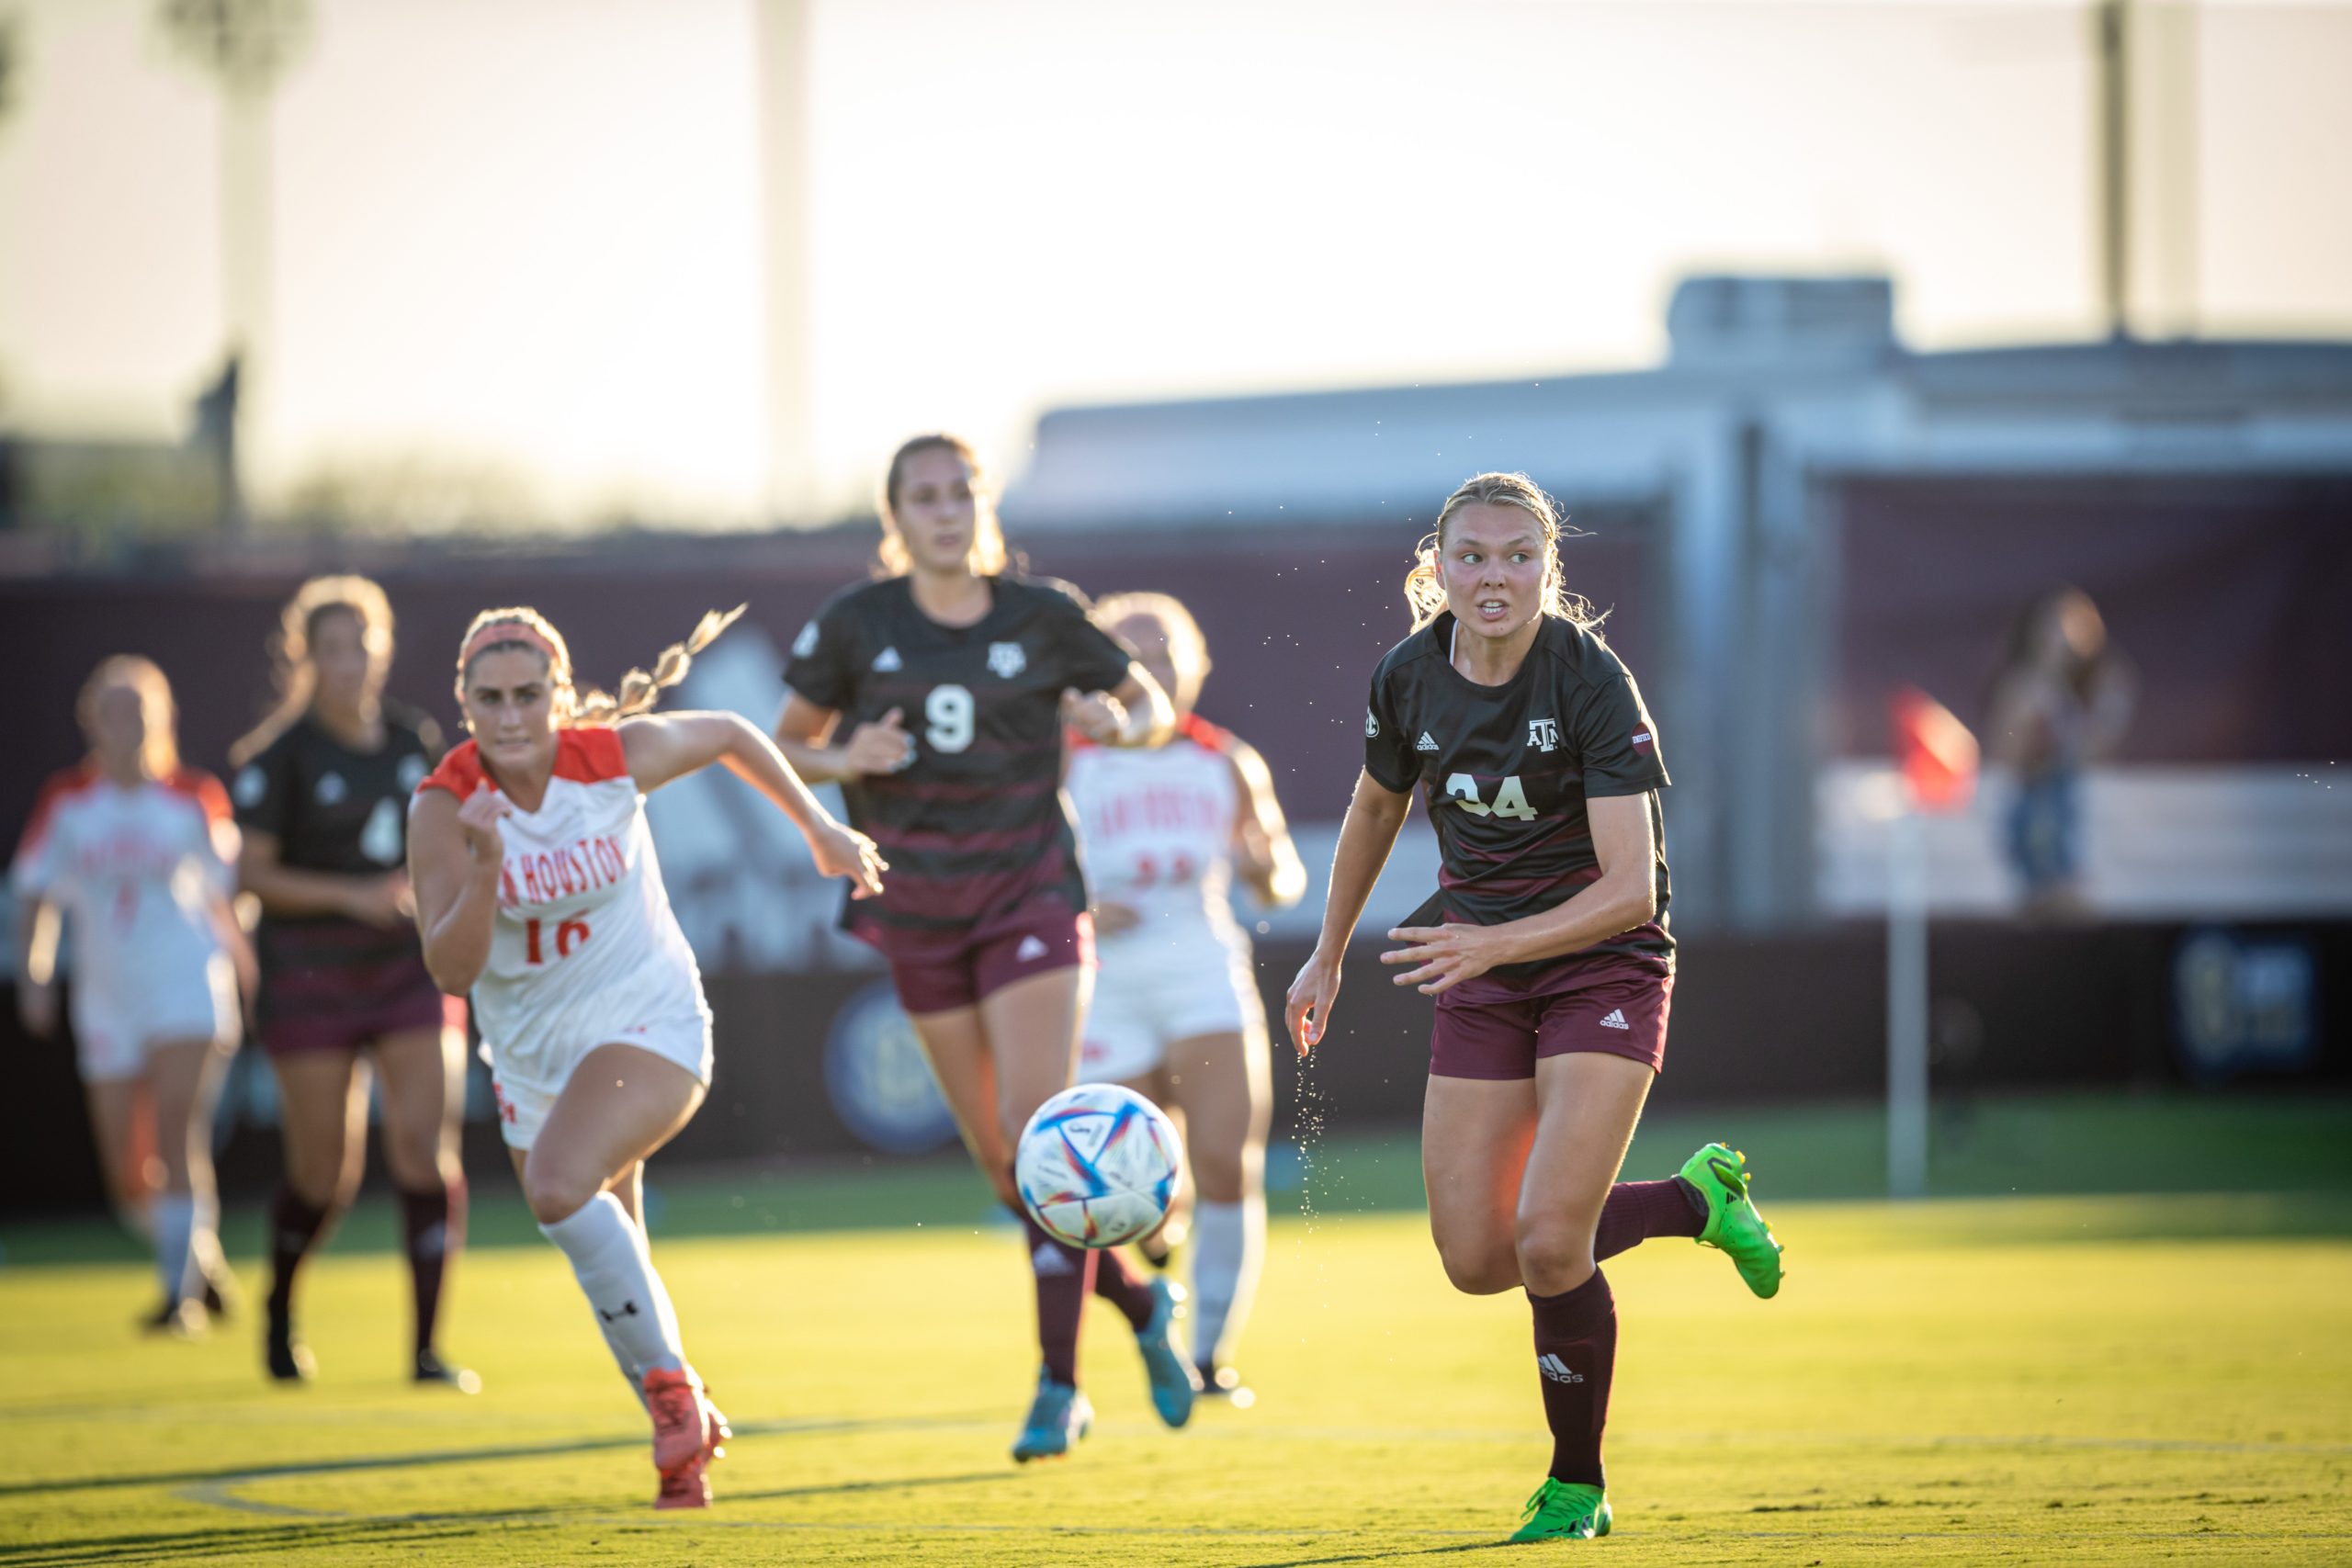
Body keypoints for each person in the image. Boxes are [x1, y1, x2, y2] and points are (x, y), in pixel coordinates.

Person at [1282, 472, 1785, 1543]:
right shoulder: (1407, 676)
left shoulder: (1593, 680)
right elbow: (1376, 806)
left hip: (1602, 964)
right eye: (1473, 555)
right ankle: (1695, 1203)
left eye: (1519, 555)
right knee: (1476, 1259)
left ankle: (1576, 1486)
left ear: (1550, 569)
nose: (1495, 575)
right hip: (1485, 970)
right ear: (1437, 568)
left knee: (1551, 1243)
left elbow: (1628, 888)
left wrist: (1491, 942)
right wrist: (1325, 954)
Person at [773, 434, 1193, 1462]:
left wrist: (1127, 724)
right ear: (896, 515)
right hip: (914, 908)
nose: (946, 511)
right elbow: (783, 744)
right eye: (924, 496)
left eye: (961, 492)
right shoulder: (855, 623)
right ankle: (1139, 1307)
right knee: (1010, 1169)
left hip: (1030, 898)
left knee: (1039, 1129)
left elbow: (1140, 699)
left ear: (984, 504)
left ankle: (1058, 1387)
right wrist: (842, 757)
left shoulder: (1043, 612)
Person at [408, 604, 884, 1509]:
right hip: (533, 1061)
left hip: (649, 1021)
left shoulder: (612, 758)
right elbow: (455, 971)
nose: (510, 716)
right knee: (610, 1250)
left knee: (554, 1189)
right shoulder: (442, 806)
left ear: (558, 695)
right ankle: (683, 1433)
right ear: (464, 703)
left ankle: (676, 1406)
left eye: (528, 695)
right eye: (489, 698)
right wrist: (482, 865)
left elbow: (734, 733)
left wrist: (817, 829)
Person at [229, 576, 475, 1388]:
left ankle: (428, 1347)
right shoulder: (277, 756)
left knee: (421, 1145)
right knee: (322, 1174)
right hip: (311, 975)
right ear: (306, 658)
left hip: (407, 966)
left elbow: (443, 839)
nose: (348, 662)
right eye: (330, 648)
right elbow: (255, 875)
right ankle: (280, 1306)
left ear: (383, 647)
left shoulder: (415, 739)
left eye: (360, 643)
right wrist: (351, 894)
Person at [1066, 592, 1306, 1403]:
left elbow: (1279, 878)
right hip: (1105, 984)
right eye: (1129, 656)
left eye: (1166, 653)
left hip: (1203, 972)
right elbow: (1020, 877)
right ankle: (1161, 1244)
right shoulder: (1068, 760)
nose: (1150, 671)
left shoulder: (1225, 760)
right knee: (1129, 1192)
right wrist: (1086, 910)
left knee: (1226, 1163)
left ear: (1196, 666)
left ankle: (1209, 1354)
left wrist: (1263, 867)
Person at [12, 657, 249, 1335]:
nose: (126, 727)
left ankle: (178, 1301)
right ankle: (199, 1265)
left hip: (185, 984)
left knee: (178, 1135)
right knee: (127, 1172)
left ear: (161, 720)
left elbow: (228, 896)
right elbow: (36, 892)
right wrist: (35, 974)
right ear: (92, 721)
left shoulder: (194, 796)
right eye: (113, 713)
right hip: (106, 995)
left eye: (138, 712)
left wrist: (248, 969)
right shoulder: (66, 801)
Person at [1984, 587, 2136, 919]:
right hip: (2036, 816)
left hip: (2080, 823)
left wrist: (2108, 707)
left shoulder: (2094, 690)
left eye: (2077, 626)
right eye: (2056, 627)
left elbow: (2097, 747)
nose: (2065, 638)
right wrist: (2027, 733)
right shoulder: (2024, 685)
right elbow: (2005, 746)